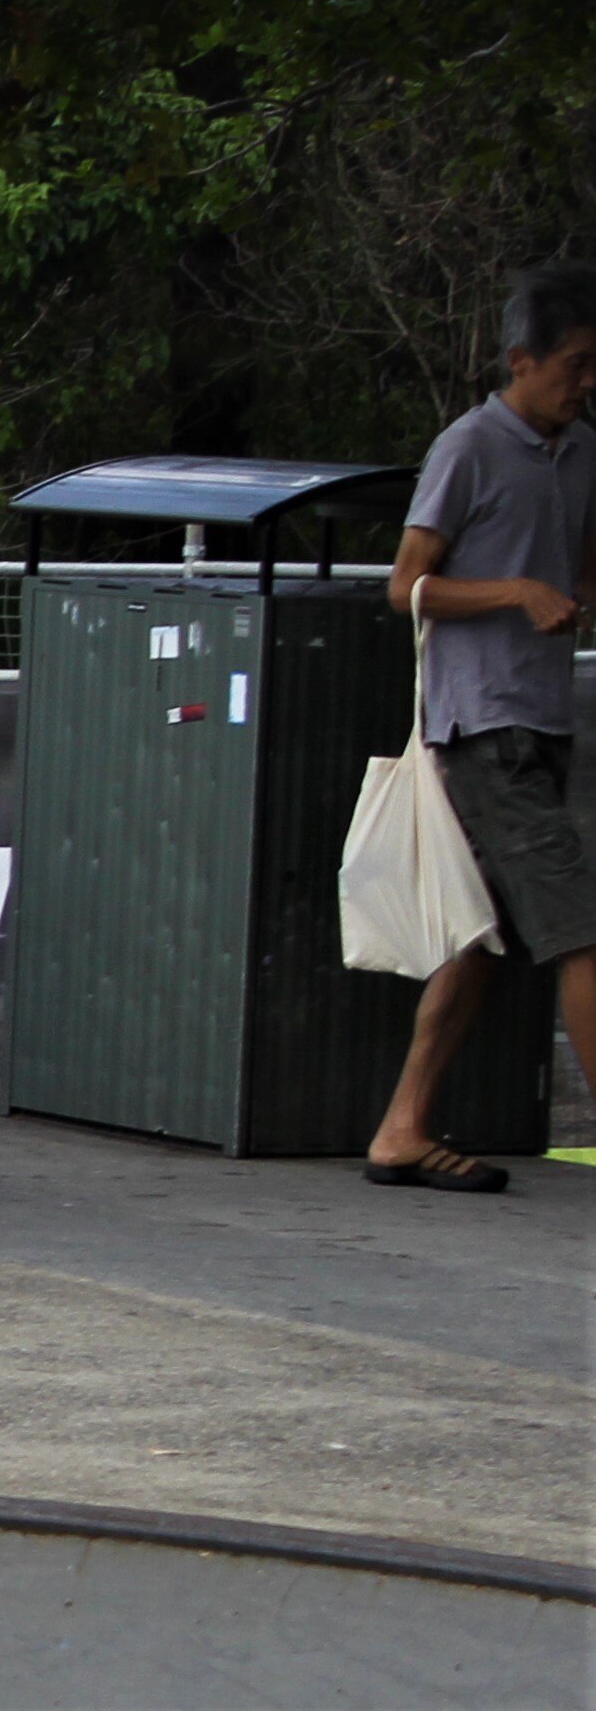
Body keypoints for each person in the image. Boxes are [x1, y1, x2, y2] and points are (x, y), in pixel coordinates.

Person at [368, 258, 596, 1194]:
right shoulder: (467, 446)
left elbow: (582, 574)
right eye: (574, 364)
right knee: (580, 934)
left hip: (543, 720)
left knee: (476, 939)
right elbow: (404, 586)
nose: (586, 383)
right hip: (478, 726)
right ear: (520, 361)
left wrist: (564, 596)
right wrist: (513, 591)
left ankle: (401, 1128)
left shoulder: (584, 452)